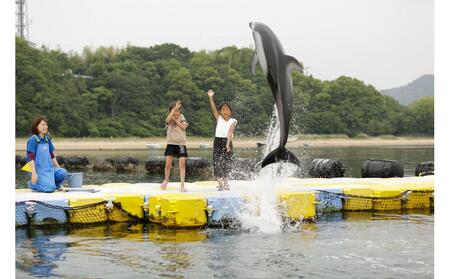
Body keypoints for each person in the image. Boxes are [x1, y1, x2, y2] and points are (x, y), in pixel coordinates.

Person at [26, 117, 67, 193]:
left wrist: (58, 168)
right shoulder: (33, 139)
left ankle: (56, 185)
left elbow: (51, 155)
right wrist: (34, 174)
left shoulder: (47, 139)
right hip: (37, 170)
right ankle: (32, 184)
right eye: (43, 125)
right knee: (49, 188)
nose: (45, 127)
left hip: (48, 169)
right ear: (37, 127)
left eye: (46, 125)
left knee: (63, 172)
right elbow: (30, 157)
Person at [207, 89, 237, 191]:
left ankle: (226, 183)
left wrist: (228, 144)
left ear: (230, 111)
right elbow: (213, 108)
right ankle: (220, 184)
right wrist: (210, 97)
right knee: (217, 161)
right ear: (221, 111)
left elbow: (230, 132)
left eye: (227, 109)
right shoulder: (219, 118)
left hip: (227, 142)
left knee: (227, 162)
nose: (225, 111)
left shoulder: (233, 121)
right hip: (217, 141)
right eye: (223, 109)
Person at [161, 100, 189, 192]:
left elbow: (184, 127)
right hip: (171, 144)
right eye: (174, 111)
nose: (176, 112)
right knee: (168, 164)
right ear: (170, 111)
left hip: (181, 144)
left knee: (182, 165)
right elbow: (167, 120)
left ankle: (182, 185)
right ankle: (166, 179)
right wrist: (173, 111)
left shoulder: (181, 117)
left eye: (178, 110)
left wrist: (176, 120)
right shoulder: (169, 118)